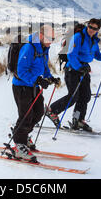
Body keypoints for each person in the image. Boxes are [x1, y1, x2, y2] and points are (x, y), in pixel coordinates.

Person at [45, 18, 101, 132]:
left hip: (84, 70)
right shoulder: (78, 37)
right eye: (90, 27)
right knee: (73, 96)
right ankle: (52, 110)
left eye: (95, 28)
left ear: (98, 29)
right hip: (72, 70)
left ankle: (78, 120)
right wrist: (79, 67)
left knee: (85, 96)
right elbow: (71, 55)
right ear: (87, 26)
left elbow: (95, 54)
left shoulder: (94, 41)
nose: (92, 30)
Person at [11, 25, 61, 161]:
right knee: (26, 115)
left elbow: (43, 66)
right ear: (40, 36)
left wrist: (49, 77)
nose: (51, 41)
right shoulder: (29, 47)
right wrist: (37, 79)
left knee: (38, 112)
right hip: (21, 87)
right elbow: (21, 71)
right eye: (49, 38)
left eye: (53, 38)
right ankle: (19, 145)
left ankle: (23, 136)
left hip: (33, 86)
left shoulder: (44, 48)